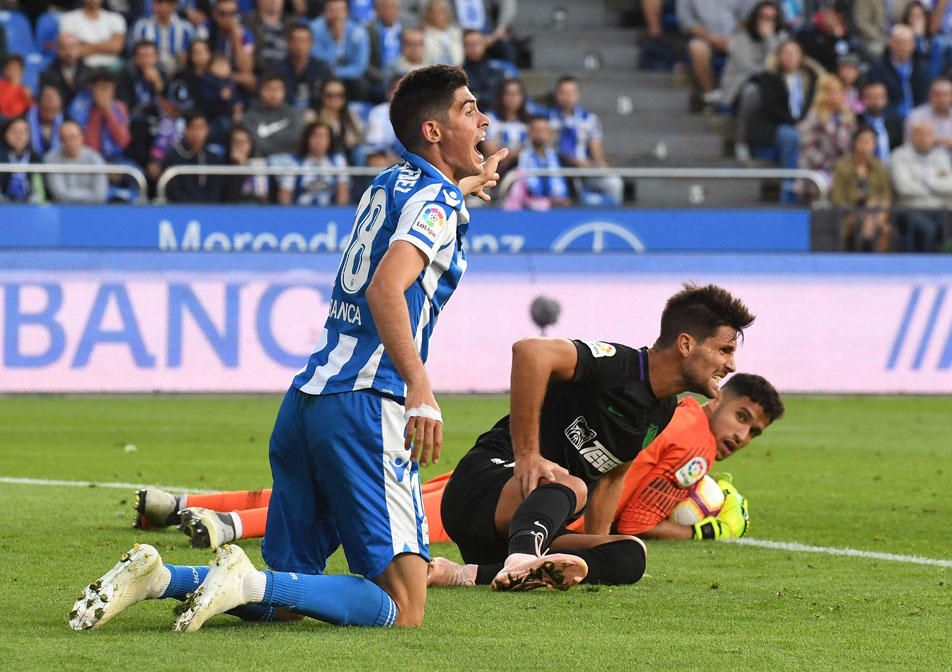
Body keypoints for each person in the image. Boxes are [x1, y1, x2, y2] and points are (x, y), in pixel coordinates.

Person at [69, 64, 507, 633]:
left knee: (287, 592)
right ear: (432, 130)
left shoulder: (390, 183)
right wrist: (420, 389)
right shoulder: (438, 203)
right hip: (367, 405)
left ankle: (161, 578)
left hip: (308, 401)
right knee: (404, 607)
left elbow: (427, 202)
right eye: (469, 109)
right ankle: (242, 580)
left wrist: (465, 184)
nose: (483, 117)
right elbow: (385, 289)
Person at [437, 284, 754, 591]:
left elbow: (612, 479)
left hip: (527, 525)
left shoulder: (663, 410)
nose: (731, 365)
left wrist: (598, 545)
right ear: (686, 345)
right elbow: (530, 351)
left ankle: (466, 574)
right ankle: (521, 560)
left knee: (630, 553)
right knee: (571, 484)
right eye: (724, 350)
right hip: (481, 488)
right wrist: (528, 455)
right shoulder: (618, 365)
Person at [424, 373, 783, 589]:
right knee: (409, 520)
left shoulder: (679, 413)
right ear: (717, 397)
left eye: (753, 431)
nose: (741, 435)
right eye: (741, 417)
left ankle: (471, 572)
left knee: (410, 499)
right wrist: (707, 530)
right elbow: (636, 523)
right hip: (552, 508)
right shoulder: (698, 448)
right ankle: (488, 568)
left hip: (513, 482)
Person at [548, 75, 624, 206]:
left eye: (571, 92)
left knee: (614, 183)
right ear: (557, 95)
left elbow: (597, 152)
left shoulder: (589, 119)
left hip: (584, 170)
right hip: (556, 169)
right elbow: (547, 147)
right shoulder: (548, 118)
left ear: (578, 95)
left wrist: (602, 167)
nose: (567, 97)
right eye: (563, 93)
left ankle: (614, 217)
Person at [891, 120, 952, 252]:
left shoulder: (941, 155)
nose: (924, 139)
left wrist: (928, 182)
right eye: (920, 134)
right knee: (928, 229)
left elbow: (950, 185)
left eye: (928, 135)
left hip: (941, 208)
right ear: (912, 136)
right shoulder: (899, 155)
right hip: (912, 208)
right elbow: (904, 188)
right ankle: (925, 267)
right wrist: (936, 185)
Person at [830, 126, 893, 252]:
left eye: (869, 142)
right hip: (850, 210)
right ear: (855, 143)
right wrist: (850, 211)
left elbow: (886, 195)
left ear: (874, 145)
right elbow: (837, 197)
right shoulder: (842, 166)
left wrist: (883, 215)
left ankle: (866, 239)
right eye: (863, 141)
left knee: (876, 208)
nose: (866, 145)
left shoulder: (879, 167)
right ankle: (867, 243)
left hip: (875, 211)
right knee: (874, 211)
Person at [676, 0, 749, 107]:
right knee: (697, 48)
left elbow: (747, 17)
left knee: (747, 47)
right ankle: (709, 95)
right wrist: (711, 38)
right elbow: (686, 20)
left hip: (735, 36)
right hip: (704, 38)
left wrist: (732, 37)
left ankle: (736, 95)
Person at [797, 73, 856, 202]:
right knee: (826, 184)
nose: (836, 95)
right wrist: (830, 165)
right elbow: (808, 147)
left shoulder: (848, 117)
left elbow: (852, 146)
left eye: (839, 91)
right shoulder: (814, 115)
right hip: (818, 168)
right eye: (831, 92)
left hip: (842, 169)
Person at [504, 115, 570, 210]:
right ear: (529, 133)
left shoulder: (561, 159)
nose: (540, 133)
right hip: (526, 211)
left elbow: (570, 193)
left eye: (544, 130)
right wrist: (547, 202)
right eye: (536, 130)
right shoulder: (518, 159)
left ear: (549, 133)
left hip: (559, 211)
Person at [276, 119, 349, 205]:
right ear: (307, 139)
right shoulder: (295, 162)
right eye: (315, 136)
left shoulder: (338, 161)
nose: (319, 141)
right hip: (300, 212)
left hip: (329, 213)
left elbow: (343, 193)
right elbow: (285, 195)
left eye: (323, 137)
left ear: (330, 140)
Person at [310, 0, 371, 101]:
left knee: (361, 84)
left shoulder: (358, 32)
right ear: (325, 12)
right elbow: (317, 59)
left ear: (346, 12)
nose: (335, 16)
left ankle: (355, 110)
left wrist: (337, 72)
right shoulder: (315, 29)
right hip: (323, 74)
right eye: (331, 11)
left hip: (347, 76)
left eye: (339, 11)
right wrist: (335, 40)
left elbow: (360, 66)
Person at [867, 24, 930, 119]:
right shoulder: (878, 68)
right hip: (891, 117)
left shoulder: (922, 67)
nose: (901, 47)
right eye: (897, 42)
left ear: (913, 45)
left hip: (919, 117)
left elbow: (924, 97)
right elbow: (880, 100)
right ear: (889, 43)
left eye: (905, 43)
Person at [160, 111, 224, 203]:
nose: (198, 133)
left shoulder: (214, 159)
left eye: (202, 128)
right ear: (186, 130)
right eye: (194, 128)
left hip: (209, 211)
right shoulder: (172, 158)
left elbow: (216, 192)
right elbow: (173, 192)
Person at [43, 120, 109, 204]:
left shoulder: (95, 159)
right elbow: (59, 194)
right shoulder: (51, 159)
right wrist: (90, 195)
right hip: (62, 210)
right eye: (64, 139)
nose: (69, 143)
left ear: (82, 137)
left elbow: (100, 195)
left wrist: (71, 195)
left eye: (73, 137)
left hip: (91, 210)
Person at [243, 73, 304, 159]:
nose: (273, 93)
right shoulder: (250, 117)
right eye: (269, 89)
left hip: (289, 161)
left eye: (277, 89)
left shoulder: (293, 114)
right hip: (260, 161)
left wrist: (268, 141)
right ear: (260, 91)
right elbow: (255, 144)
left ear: (284, 92)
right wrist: (281, 142)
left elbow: (296, 139)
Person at [129, 0, 197, 76]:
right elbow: (134, 50)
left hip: (179, 69)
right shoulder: (142, 26)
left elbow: (192, 52)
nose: (156, 7)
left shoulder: (186, 28)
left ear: (173, 6)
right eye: (155, 3)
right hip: (149, 67)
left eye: (160, 3)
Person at [278, 24, 333, 111]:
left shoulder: (322, 68)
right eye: (296, 40)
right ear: (289, 43)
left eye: (304, 41)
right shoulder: (277, 68)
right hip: (284, 115)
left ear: (311, 44)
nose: (300, 45)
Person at [205, 0, 257, 93]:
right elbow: (200, 63)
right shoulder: (206, 28)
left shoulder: (244, 33)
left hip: (232, 78)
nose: (227, 18)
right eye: (222, 13)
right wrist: (227, 76)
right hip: (209, 78)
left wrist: (236, 37)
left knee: (250, 80)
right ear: (214, 14)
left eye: (232, 14)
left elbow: (246, 68)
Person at [59, 0, 127, 70]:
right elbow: (71, 49)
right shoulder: (69, 18)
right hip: (83, 68)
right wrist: (106, 44)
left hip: (112, 67)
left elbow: (116, 47)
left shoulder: (116, 18)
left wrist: (85, 44)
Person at [481, 77, 529, 175]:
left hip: (523, 168)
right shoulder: (490, 118)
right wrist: (516, 155)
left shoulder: (528, 121)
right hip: (496, 168)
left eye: (516, 94)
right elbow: (489, 148)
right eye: (508, 94)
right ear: (501, 96)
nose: (512, 98)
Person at [310, 77, 364, 163]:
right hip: (325, 155)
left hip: (349, 155)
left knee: (361, 152)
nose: (334, 99)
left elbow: (362, 136)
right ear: (322, 96)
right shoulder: (313, 115)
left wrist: (354, 140)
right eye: (330, 95)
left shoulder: (349, 115)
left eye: (339, 95)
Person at [40, 33, 92, 110]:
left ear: (79, 48)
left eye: (72, 47)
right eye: (64, 47)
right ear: (57, 50)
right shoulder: (47, 74)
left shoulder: (90, 73)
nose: (68, 52)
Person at [366, 0, 405, 102]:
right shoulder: (369, 31)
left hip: (404, 73)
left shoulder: (405, 29)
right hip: (380, 78)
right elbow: (366, 63)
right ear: (377, 10)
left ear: (397, 10)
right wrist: (383, 77)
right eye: (383, 7)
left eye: (391, 7)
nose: (388, 11)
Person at [857, 80, 904, 165]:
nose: (875, 101)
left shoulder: (896, 122)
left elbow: (900, 149)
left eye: (879, 97)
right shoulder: (856, 121)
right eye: (870, 97)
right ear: (863, 99)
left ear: (886, 99)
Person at [244, 0, 297, 74]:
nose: (273, 1)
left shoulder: (293, 24)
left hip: (287, 75)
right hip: (258, 73)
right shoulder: (247, 22)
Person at [0, 117, 45, 203]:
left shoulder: (35, 157)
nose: (18, 136)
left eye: (22, 132)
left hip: (29, 206)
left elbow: (39, 189)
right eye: (14, 131)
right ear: (6, 134)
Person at [220, 124, 269, 203]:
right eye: (235, 142)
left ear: (250, 144)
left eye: (243, 142)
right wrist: (239, 167)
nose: (239, 146)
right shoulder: (222, 166)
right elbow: (229, 200)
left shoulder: (259, 164)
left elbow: (263, 200)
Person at [461, 29, 506, 112]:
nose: (474, 48)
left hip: (496, 117)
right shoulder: (458, 74)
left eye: (477, 44)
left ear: (484, 45)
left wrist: (479, 97)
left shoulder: (496, 71)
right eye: (469, 45)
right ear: (464, 47)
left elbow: (500, 96)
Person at [905, 77, 952, 150]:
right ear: (930, 95)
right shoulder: (916, 115)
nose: (941, 99)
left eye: (945, 94)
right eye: (937, 94)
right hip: (922, 159)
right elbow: (908, 144)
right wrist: (938, 142)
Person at [422, 0, 464, 67]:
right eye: (434, 12)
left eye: (442, 11)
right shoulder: (423, 34)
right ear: (428, 15)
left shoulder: (457, 33)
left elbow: (460, 59)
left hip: (456, 71)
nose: (438, 15)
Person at [27, 86, 65, 157]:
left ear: (60, 104)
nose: (50, 104)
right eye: (47, 99)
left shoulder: (67, 122)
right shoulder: (25, 121)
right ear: (39, 103)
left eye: (54, 99)